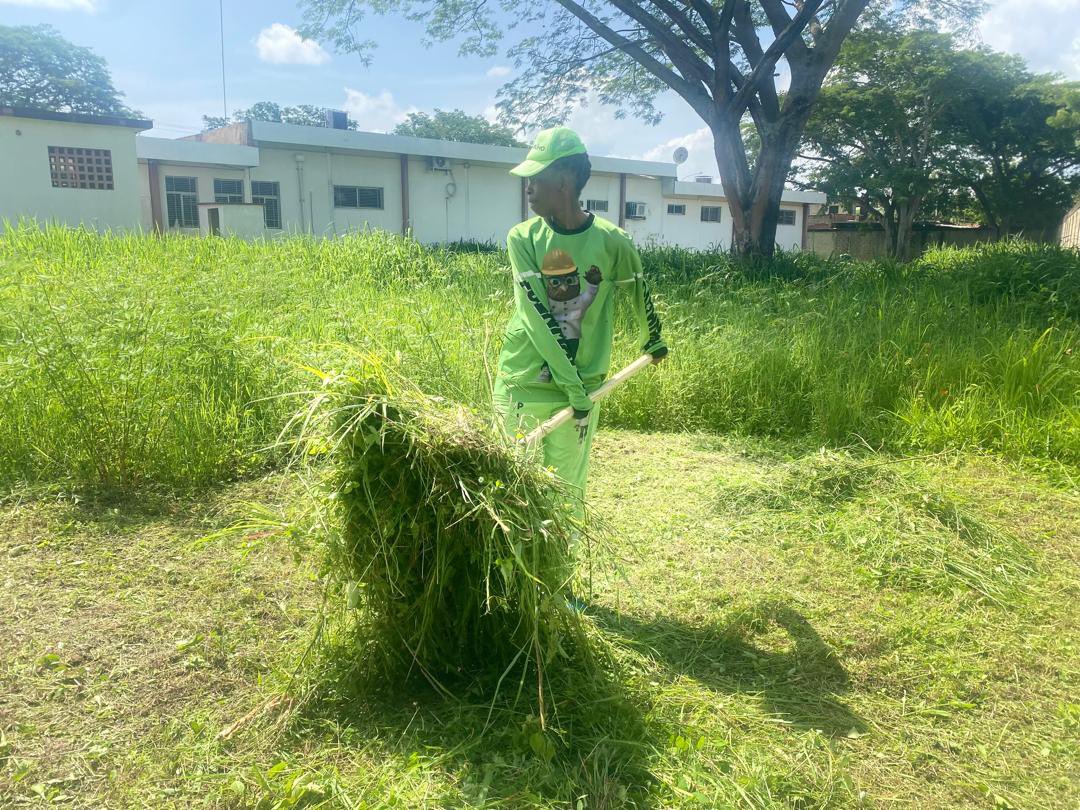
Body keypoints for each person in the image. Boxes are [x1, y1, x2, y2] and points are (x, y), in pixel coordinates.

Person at [493, 126, 668, 521]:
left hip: (584, 390)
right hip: (523, 382)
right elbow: (535, 315)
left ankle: (561, 578)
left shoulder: (613, 241)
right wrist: (573, 387)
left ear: (566, 181)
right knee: (503, 490)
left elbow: (639, 291)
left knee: (567, 494)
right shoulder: (523, 238)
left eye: (537, 177)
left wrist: (652, 339)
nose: (529, 186)